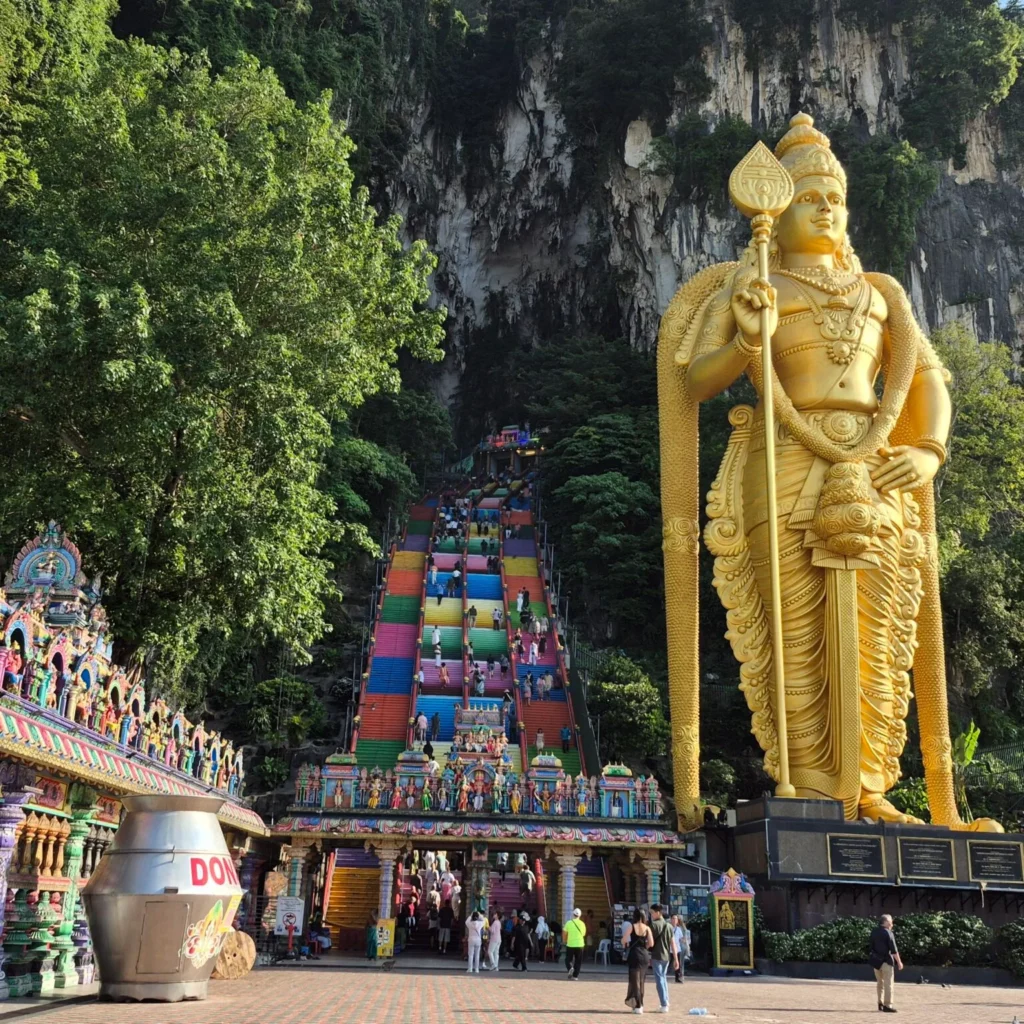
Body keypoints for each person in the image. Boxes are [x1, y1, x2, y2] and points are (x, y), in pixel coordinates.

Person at [869, 914, 903, 1013]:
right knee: (889, 984)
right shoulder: (888, 933)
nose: (892, 923)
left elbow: (870, 946)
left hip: (876, 961)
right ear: (887, 922)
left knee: (880, 983)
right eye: (891, 921)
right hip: (886, 962)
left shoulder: (874, 932)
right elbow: (894, 950)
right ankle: (888, 1005)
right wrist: (899, 962)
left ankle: (880, 1003)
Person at [649, 904, 679, 1014]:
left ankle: (664, 1004)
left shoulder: (653, 925)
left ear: (658, 912)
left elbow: (649, 942)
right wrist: (676, 958)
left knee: (659, 980)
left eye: (652, 912)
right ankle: (666, 1000)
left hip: (657, 955)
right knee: (663, 978)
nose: (651, 915)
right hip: (667, 956)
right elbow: (673, 943)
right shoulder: (669, 926)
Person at [623, 908, 654, 1013]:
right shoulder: (647, 928)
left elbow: (624, 939)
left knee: (634, 980)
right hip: (644, 955)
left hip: (634, 954)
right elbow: (651, 943)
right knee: (642, 980)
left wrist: (625, 943)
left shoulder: (631, 926)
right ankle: (641, 1004)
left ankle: (638, 1005)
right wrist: (644, 946)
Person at [563, 907, 586, 980]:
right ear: (580, 915)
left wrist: (564, 940)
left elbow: (564, 933)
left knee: (568, 959)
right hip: (580, 945)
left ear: (573, 915)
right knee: (578, 961)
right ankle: (575, 976)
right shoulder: (582, 924)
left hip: (570, 944)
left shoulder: (568, 923)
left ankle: (570, 967)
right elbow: (583, 934)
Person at [671, 915, 690, 983]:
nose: (674, 920)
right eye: (673, 919)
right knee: (670, 962)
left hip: (678, 948)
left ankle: (678, 976)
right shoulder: (669, 928)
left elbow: (682, 938)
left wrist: (685, 940)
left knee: (678, 963)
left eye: (676, 919)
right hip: (672, 948)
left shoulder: (679, 929)